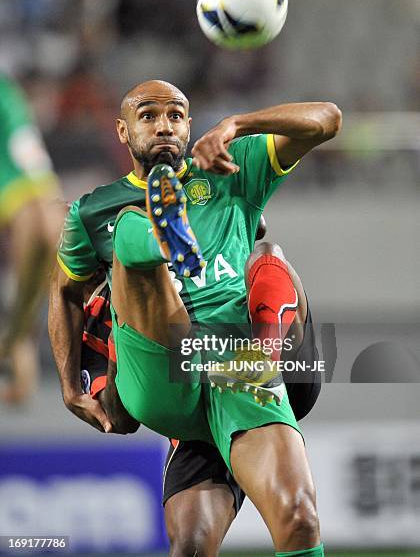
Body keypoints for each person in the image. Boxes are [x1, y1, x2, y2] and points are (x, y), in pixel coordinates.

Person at [49, 79, 341, 556]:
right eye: (148, 116)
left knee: (297, 519)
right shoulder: (90, 211)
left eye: (176, 115)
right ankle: (161, 240)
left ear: (188, 127)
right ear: (123, 132)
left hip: (234, 366)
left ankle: (255, 360)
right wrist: (69, 386)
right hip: (160, 366)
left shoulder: (232, 166)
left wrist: (238, 122)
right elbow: (62, 293)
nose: (164, 124)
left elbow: (327, 118)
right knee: (128, 228)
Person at [78, 216, 322, 556]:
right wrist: (121, 341)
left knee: (267, 255)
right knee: (191, 545)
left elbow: (258, 226)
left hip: (265, 369)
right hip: (198, 420)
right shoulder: (93, 324)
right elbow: (119, 420)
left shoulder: (180, 248)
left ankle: (262, 362)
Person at [0, 75, 63, 404]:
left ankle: (17, 341)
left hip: (21, 191)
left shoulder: (5, 95)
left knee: (47, 227)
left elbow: (24, 145)